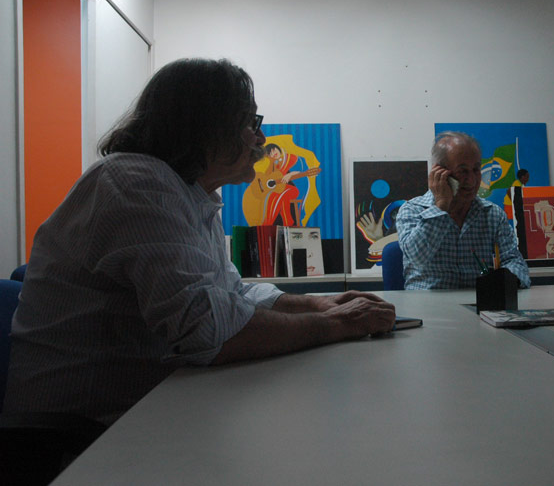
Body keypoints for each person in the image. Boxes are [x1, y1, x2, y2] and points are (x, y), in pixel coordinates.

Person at [3, 58, 395, 425]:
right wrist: (334, 324)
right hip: (74, 435)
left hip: (136, 413)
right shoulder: (137, 185)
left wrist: (319, 303)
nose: (261, 137)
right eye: (250, 122)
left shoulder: (188, 192)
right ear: (204, 126)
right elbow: (208, 330)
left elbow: (231, 292)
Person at [396, 131, 530, 290]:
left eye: (476, 169)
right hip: (428, 303)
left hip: (480, 301)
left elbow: (514, 261)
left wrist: (505, 281)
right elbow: (418, 258)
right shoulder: (412, 210)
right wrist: (441, 205)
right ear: (439, 174)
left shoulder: (492, 214)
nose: (472, 180)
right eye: (463, 171)